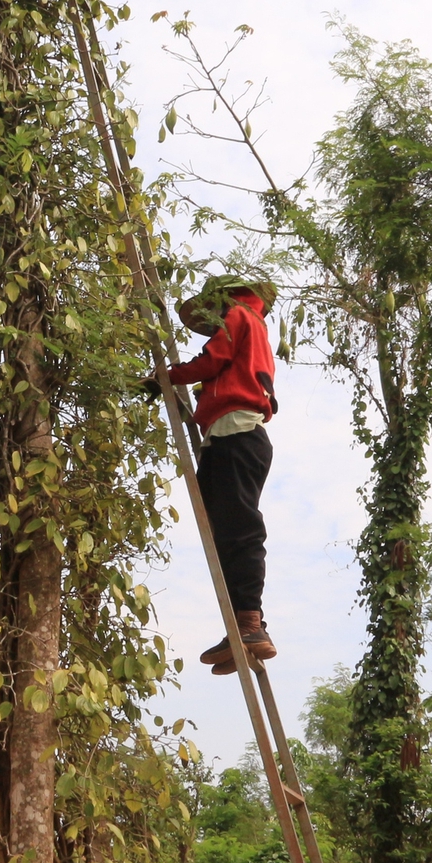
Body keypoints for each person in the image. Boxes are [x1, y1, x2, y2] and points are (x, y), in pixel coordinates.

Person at [149, 276, 280, 675]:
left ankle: (250, 623)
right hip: (227, 435)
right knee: (222, 532)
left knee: (239, 529)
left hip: (238, 434)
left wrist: (167, 376)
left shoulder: (239, 316)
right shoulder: (251, 328)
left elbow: (212, 360)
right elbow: (219, 372)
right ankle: (241, 623)